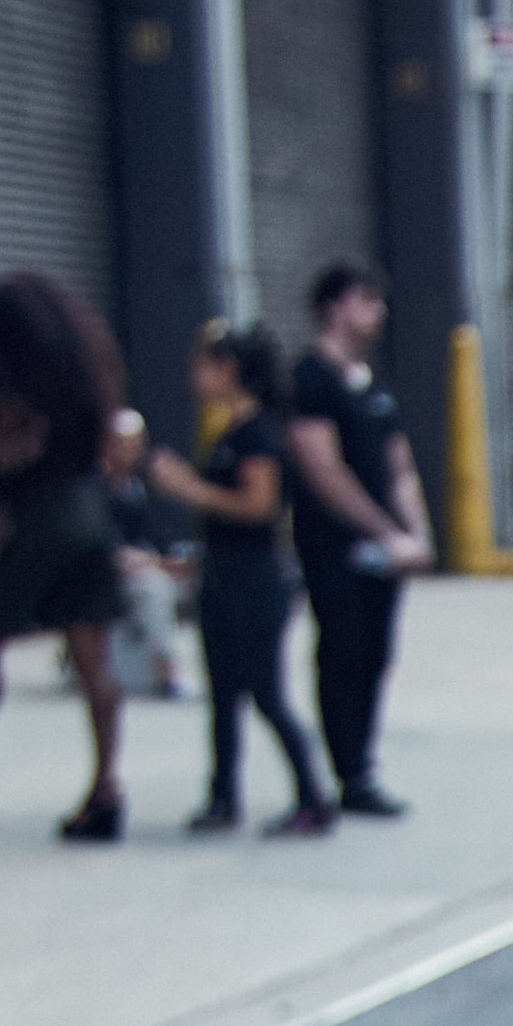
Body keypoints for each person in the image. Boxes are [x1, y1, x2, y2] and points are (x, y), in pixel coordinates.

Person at [0, 269, 134, 837]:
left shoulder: (18, 389)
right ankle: (106, 789)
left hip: (43, 523)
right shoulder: (88, 372)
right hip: (89, 515)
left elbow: (12, 455)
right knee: (94, 661)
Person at [146, 320, 333, 835]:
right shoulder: (231, 431)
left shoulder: (258, 435)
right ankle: (223, 795)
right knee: (224, 692)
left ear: (228, 370)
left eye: (202, 366)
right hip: (223, 576)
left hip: (253, 581)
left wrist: (188, 488)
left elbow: (258, 505)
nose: (194, 378)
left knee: (266, 693)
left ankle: (314, 796)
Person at [283, 259, 432, 815]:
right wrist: (384, 530)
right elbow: (323, 471)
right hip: (334, 546)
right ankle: (347, 769)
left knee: (376, 652)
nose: (379, 311)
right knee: (341, 650)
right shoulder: (312, 380)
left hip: (385, 551)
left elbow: (400, 467)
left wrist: (417, 532)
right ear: (334, 308)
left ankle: (363, 766)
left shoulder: (374, 387)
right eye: (366, 300)